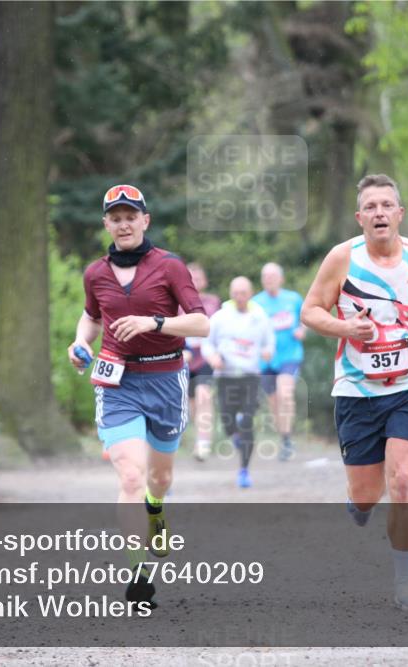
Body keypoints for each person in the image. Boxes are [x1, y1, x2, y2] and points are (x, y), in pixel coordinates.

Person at [300, 174, 408, 612]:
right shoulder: (342, 259)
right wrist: (344, 327)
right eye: (370, 207)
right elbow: (309, 311)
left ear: (399, 213)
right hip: (356, 390)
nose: (378, 213)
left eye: (385, 205)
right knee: (366, 494)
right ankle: (358, 505)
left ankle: (405, 583)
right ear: (360, 218)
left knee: (405, 480)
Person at [68, 184, 209, 608]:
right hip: (118, 382)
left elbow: (201, 324)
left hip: (167, 379)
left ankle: (156, 507)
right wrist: (80, 344)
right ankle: (139, 573)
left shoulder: (169, 266)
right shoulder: (95, 273)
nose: (124, 224)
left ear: (145, 220)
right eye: (116, 217)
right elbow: (92, 317)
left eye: (132, 216)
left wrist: (154, 323)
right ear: (106, 224)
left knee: (158, 479)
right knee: (130, 474)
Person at [202, 276, 274, 489]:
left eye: (243, 293)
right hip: (225, 376)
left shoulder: (260, 316)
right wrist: (212, 357)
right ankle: (235, 438)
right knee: (228, 422)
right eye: (235, 293)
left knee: (247, 422)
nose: (239, 297)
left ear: (250, 293)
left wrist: (268, 351)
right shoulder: (220, 317)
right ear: (231, 293)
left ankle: (244, 470)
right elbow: (207, 343)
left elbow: (269, 341)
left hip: (250, 376)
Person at [252, 262, 306, 461]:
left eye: (273, 276)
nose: (269, 280)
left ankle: (287, 439)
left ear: (281, 279)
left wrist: (302, 330)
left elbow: (305, 318)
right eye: (265, 277)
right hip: (266, 360)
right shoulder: (256, 303)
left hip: (289, 355)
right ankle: (285, 438)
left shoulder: (293, 299)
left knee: (285, 393)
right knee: (274, 403)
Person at [182, 263, 221, 461]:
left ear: (205, 281)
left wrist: (219, 353)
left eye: (198, 278)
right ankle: (197, 439)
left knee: (204, 396)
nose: (195, 282)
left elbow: (223, 329)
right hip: (184, 361)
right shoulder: (177, 303)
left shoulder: (214, 302)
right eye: (191, 278)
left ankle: (203, 444)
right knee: (192, 405)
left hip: (207, 358)